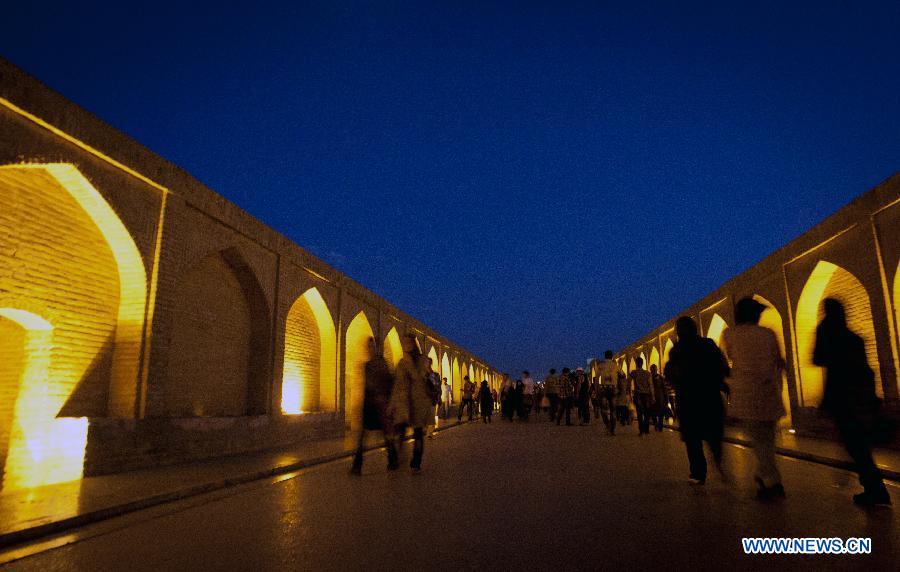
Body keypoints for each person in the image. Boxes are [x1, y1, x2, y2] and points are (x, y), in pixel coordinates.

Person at [814, 298, 891, 506]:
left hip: (843, 398)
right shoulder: (854, 339)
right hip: (861, 398)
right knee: (858, 445)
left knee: (856, 446)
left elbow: (818, 359)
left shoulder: (829, 334)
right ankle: (873, 487)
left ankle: (876, 490)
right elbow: (866, 370)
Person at [720, 297, 786, 500]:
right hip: (768, 394)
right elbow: (779, 362)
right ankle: (767, 479)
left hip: (747, 396)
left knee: (760, 443)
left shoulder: (730, 334)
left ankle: (769, 481)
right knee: (767, 441)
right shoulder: (768, 334)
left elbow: (730, 357)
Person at [665, 316, 730, 485]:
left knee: (693, 439)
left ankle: (698, 473)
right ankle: (718, 460)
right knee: (713, 434)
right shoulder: (708, 345)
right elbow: (722, 366)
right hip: (710, 398)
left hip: (688, 401)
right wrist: (719, 382)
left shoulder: (676, 350)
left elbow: (670, 374)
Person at [387, 333, 433, 473]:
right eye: (404, 343)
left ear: (414, 344)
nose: (406, 346)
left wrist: (410, 363)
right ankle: (396, 459)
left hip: (419, 403)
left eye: (408, 343)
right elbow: (397, 385)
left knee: (418, 434)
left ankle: (415, 462)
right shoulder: (402, 363)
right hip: (405, 404)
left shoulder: (422, 361)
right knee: (398, 431)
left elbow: (419, 378)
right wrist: (391, 404)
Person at [351, 337, 397, 474]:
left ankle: (393, 460)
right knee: (363, 437)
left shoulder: (382, 363)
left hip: (381, 404)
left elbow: (388, 382)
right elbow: (366, 386)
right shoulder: (367, 365)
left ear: (376, 348)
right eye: (368, 347)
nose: (370, 349)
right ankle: (357, 466)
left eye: (372, 347)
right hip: (369, 405)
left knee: (385, 434)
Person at [628, 357, 654, 435]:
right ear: (642, 363)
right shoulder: (647, 373)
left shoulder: (634, 372)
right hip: (647, 395)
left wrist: (629, 393)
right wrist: (653, 397)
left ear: (636, 363)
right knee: (646, 412)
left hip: (638, 394)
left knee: (639, 413)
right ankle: (646, 429)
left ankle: (641, 430)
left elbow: (628, 382)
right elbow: (651, 385)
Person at [597, 352, 618, 434]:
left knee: (603, 409)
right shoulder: (615, 365)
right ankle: (612, 429)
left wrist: (596, 389)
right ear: (612, 356)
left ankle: (607, 424)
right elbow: (622, 375)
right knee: (613, 410)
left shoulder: (601, 366)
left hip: (603, 389)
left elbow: (596, 379)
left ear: (605, 356)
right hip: (613, 389)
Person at [650, 364, 667, 432]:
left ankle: (660, 427)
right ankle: (656, 425)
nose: (653, 370)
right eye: (652, 369)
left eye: (654, 369)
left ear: (656, 369)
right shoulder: (649, 378)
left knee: (661, 413)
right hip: (652, 398)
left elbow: (664, 389)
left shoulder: (660, 377)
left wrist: (666, 398)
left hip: (660, 398)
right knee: (653, 413)